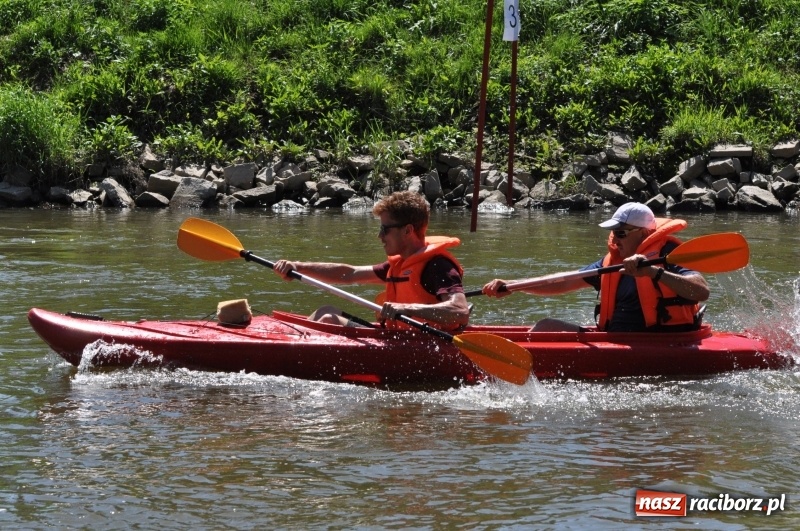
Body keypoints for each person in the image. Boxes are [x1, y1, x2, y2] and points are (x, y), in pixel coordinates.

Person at [482, 202, 710, 332]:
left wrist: (653, 273)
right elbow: (566, 280)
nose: (615, 239)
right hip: (612, 338)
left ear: (643, 233)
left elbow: (701, 290)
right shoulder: (611, 261)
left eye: (621, 233)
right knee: (545, 326)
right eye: (614, 233)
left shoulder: (666, 254)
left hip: (660, 342)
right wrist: (514, 286)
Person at [273, 191, 470, 331]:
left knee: (328, 319)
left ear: (408, 230)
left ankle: (291, 353)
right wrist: (297, 267)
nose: (380, 236)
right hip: (396, 339)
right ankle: (290, 342)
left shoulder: (438, 266)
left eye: (385, 229)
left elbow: (459, 312)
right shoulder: (400, 264)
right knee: (326, 311)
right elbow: (348, 274)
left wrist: (405, 309)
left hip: (421, 345)